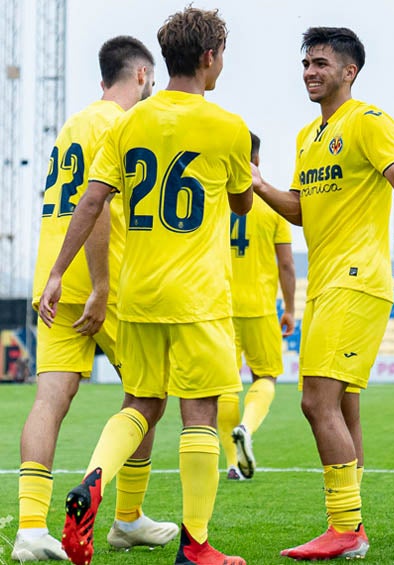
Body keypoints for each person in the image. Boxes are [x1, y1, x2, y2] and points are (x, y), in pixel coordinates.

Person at [38, 8, 253, 565]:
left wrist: (59, 272)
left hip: (137, 293)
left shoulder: (127, 123)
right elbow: (241, 201)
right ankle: (197, 546)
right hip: (197, 296)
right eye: (222, 55)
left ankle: (93, 481)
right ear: (209, 58)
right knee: (199, 414)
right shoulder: (227, 126)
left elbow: (91, 201)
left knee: (140, 403)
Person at [250, 27, 394, 560]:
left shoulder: (368, 121)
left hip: (358, 279)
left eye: (321, 63)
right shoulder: (307, 137)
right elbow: (302, 211)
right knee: (343, 405)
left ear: (349, 72)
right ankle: (352, 526)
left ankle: (345, 528)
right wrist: (259, 184)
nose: (310, 72)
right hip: (324, 282)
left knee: (314, 402)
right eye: (306, 63)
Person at [13, 36, 179, 562]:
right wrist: (102, 284)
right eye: (150, 80)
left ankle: (31, 529)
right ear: (141, 77)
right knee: (149, 394)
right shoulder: (118, 125)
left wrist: (60, 273)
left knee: (50, 399)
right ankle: (125, 516)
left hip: (53, 277)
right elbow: (99, 205)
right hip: (99, 279)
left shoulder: (73, 125)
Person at [220, 132, 296, 481]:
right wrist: (290, 308)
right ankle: (247, 427)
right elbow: (286, 266)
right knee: (265, 376)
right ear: (257, 160)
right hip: (261, 307)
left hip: (220, 306)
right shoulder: (272, 206)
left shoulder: (216, 200)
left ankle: (232, 464)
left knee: (225, 384)